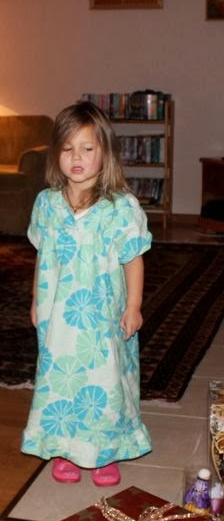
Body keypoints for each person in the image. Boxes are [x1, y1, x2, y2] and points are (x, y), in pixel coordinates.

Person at [21, 101, 153, 486]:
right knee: (61, 379)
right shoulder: (46, 204)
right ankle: (65, 447)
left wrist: (133, 305)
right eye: (67, 148)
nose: (76, 157)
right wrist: (36, 301)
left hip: (102, 318)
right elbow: (42, 255)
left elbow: (133, 259)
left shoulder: (121, 207)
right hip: (58, 316)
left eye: (87, 148)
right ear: (56, 154)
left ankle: (105, 449)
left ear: (105, 153)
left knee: (104, 381)